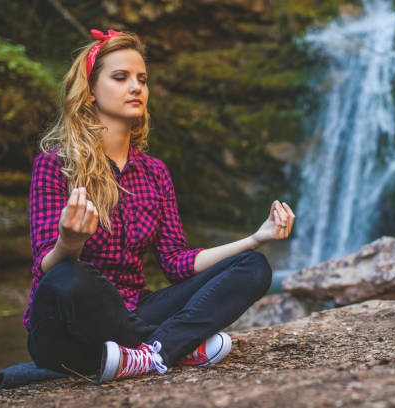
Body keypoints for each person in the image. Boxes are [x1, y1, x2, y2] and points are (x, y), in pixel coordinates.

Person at [24, 29, 296, 383]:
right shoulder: (55, 164)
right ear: (90, 92)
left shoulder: (154, 173)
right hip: (67, 325)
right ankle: (175, 345)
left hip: (135, 310)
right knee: (68, 277)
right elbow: (47, 266)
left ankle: (151, 354)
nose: (136, 87)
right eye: (120, 77)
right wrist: (70, 242)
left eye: (142, 79)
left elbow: (177, 263)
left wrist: (256, 238)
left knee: (253, 266)